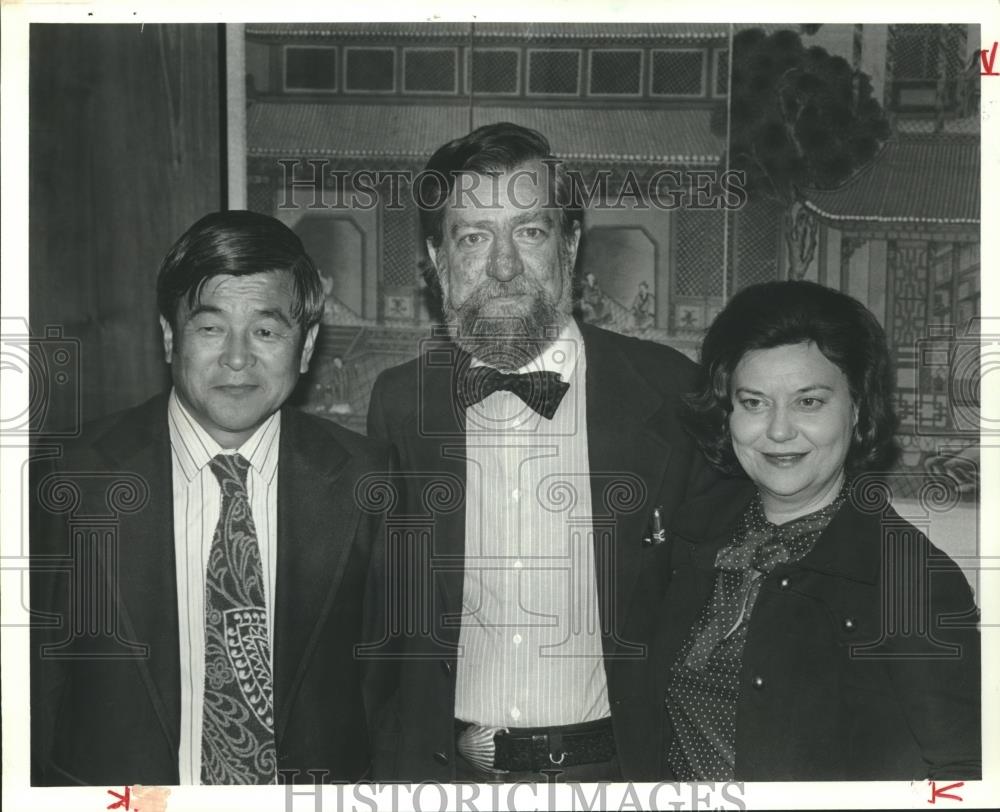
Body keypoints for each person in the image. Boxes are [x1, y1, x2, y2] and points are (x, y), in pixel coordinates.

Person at [365, 122, 721, 781]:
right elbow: (377, 630)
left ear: (571, 245)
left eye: (529, 231)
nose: (503, 266)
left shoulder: (671, 396)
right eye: (474, 236)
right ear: (439, 261)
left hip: (617, 778)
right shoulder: (399, 406)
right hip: (447, 777)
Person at [31, 211, 389, 785]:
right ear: (171, 335)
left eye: (267, 331)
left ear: (307, 345)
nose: (238, 358)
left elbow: (389, 696)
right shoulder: (70, 476)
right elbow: (34, 690)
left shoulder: (368, 480)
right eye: (211, 328)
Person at [658, 280, 980, 780]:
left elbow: (963, 771)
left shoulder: (912, 582)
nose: (780, 431)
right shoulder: (689, 532)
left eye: (809, 402)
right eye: (754, 402)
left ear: (856, 410)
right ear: (727, 412)